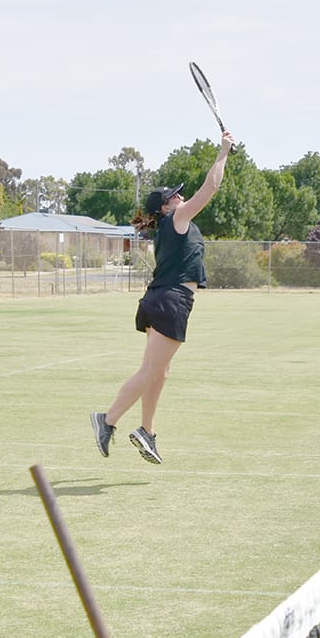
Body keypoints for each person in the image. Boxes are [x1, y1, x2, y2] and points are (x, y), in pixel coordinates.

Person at [90, 128, 236, 464]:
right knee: (149, 372)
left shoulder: (172, 225)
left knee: (159, 371)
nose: (181, 198)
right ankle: (107, 420)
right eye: (175, 196)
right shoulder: (178, 219)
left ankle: (147, 431)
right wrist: (223, 152)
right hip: (171, 301)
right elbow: (211, 187)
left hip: (160, 300)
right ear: (167, 207)